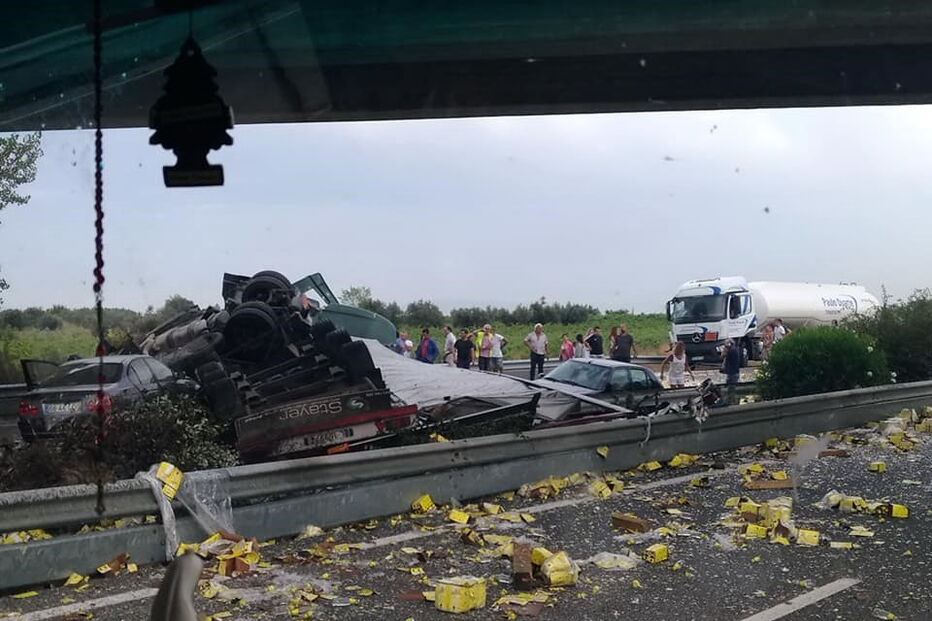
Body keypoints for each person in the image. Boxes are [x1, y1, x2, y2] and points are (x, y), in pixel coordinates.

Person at [722, 339, 742, 404]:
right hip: (734, 372)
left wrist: (725, 351)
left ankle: (731, 403)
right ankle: (732, 402)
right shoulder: (735, 350)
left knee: (731, 389)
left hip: (732, 373)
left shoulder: (731, 351)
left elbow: (722, 356)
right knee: (731, 389)